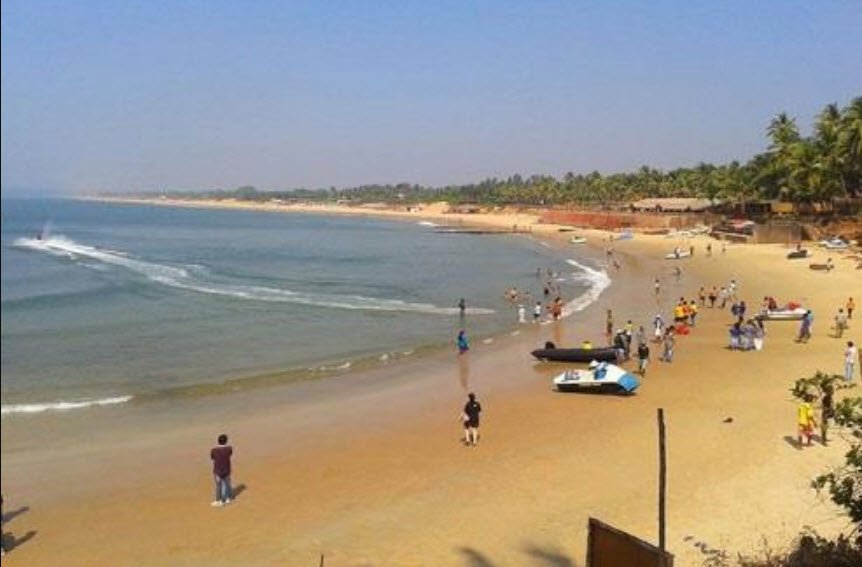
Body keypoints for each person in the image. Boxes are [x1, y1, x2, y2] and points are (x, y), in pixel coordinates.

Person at [210, 434, 234, 507]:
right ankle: (227, 499)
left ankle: (219, 500)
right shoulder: (229, 448)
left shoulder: (214, 450)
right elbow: (230, 454)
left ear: (218, 441)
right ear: (226, 441)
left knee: (218, 486)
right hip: (227, 469)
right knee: (227, 484)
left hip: (218, 471)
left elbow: (212, 458)